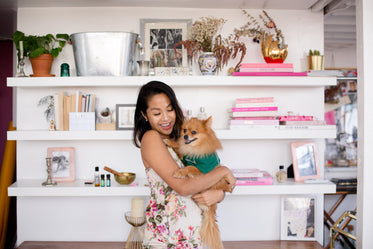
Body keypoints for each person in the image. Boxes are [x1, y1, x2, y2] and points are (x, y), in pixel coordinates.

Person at [133, 81, 236, 248]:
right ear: (144, 115)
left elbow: (202, 178)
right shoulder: (151, 138)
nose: (166, 118)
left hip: (191, 234)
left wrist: (219, 195)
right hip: (167, 238)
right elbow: (184, 187)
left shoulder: (180, 137)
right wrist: (223, 171)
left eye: (170, 109)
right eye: (157, 113)